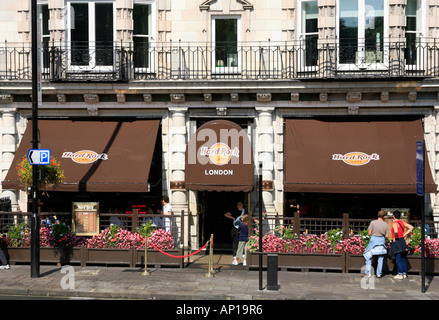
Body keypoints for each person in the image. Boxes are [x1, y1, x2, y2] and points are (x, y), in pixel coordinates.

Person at [362, 210, 389, 278]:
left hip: (373, 240)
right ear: (384, 216)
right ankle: (379, 273)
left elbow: (369, 233)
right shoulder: (386, 225)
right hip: (381, 240)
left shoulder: (372, 222)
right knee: (380, 258)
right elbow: (387, 236)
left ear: (377, 215)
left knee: (368, 256)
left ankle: (368, 272)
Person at [390, 210, 413, 280]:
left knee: (398, 258)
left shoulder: (394, 223)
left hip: (397, 241)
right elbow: (411, 227)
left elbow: (396, 231)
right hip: (402, 240)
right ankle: (404, 273)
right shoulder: (402, 222)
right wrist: (405, 234)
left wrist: (395, 237)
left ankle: (400, 273)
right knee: (403, 257)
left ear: (393, 216)